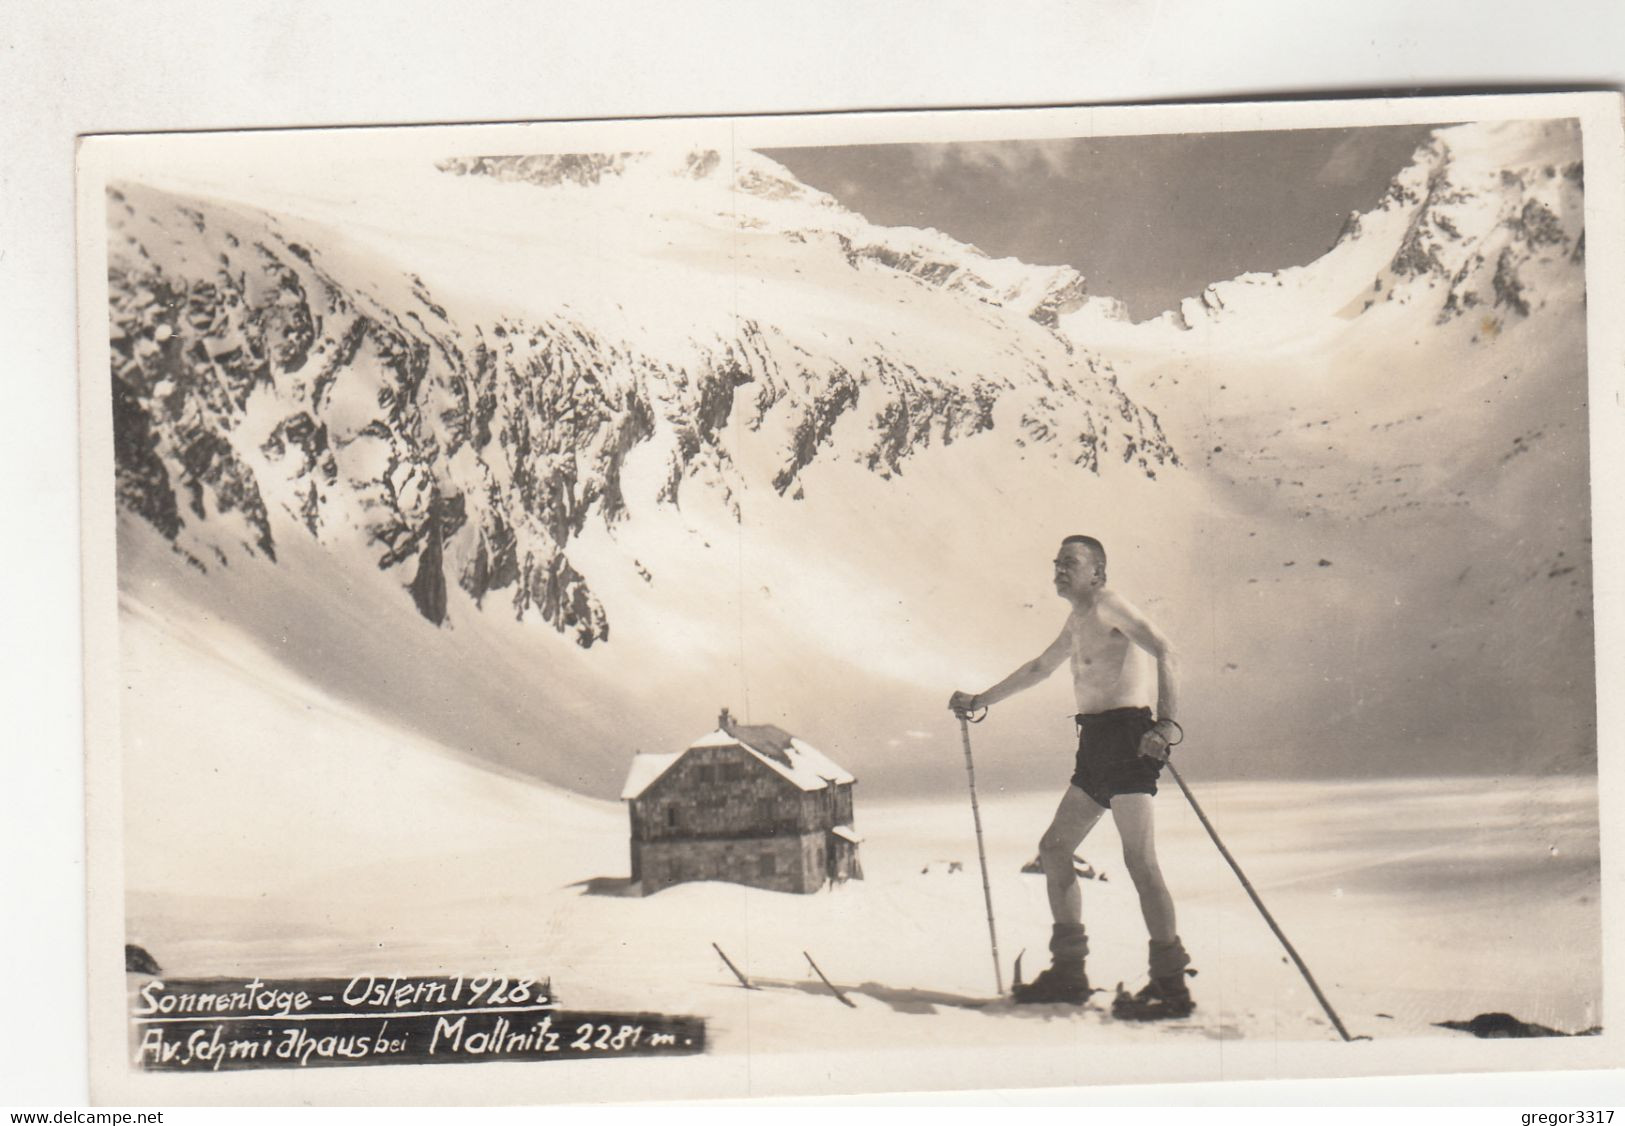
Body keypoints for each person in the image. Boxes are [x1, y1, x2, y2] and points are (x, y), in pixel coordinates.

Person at [949, 534, 1193, 1018]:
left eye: (1070, 563)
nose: (1059, 569)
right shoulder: (1080, 616)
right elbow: (1040, 668)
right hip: (1096, 745)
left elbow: (1166, 649)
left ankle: (1170, 985)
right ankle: (1069, 972)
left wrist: (1165, 725)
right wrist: (979, 700)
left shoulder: (1110, 605)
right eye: (1057, 562)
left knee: (1139, 860)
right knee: (1055, 850)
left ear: (1097, 573)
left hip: (1129, 740)